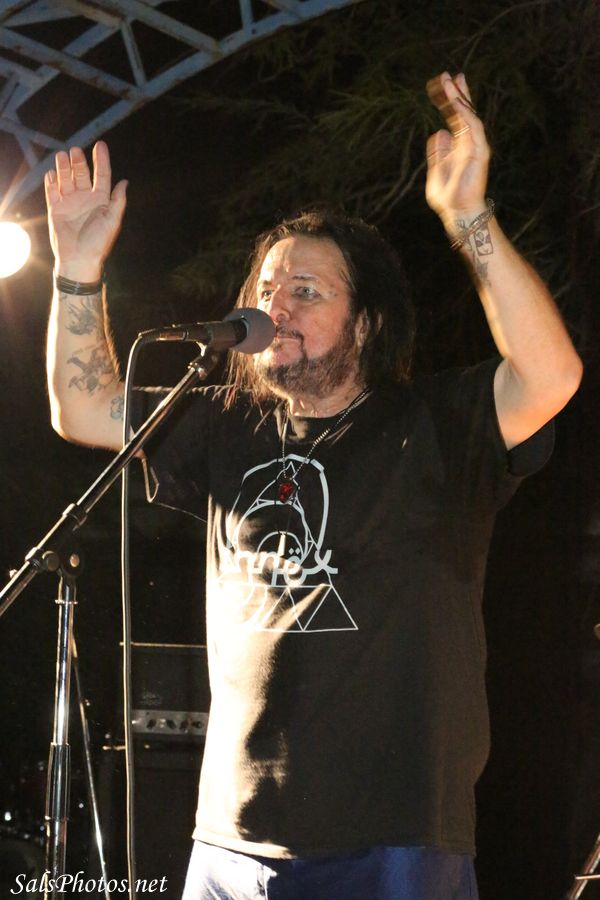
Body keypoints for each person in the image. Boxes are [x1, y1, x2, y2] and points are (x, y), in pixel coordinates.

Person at [45, 72, 582, 899]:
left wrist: (470, 219)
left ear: (365, 323)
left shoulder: (431, 425)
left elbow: (551, 374)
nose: (277, 307)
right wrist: (77, 271)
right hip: (229, 842)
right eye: (266, 289)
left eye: (306, 291)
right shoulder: (224, 424)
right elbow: (82, 408)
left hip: (394, 837)